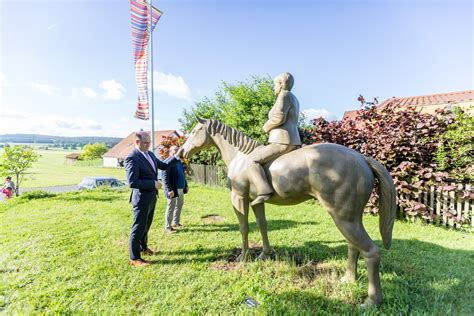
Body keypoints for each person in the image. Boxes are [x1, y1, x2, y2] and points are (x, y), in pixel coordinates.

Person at [125, 131, 180, 267]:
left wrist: (176, 157)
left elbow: (164, 165)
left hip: (151, 197)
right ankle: (135, 257)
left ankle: (144, 247)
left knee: (146, 225)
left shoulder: (149, 154)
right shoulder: (132, 157)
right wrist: (153, 184)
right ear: (137, 142)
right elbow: (132, 182)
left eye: (149, 142)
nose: (149, 144)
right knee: (138, 227)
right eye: (146, 142)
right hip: (141, 198)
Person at [246, 72, 302, 206]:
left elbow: (279, 117)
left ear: (281, 84)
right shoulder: (294, 98)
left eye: (275, 84)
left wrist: (266, 127)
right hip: (293, 139)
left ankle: (263, 191)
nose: (273, 87)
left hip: (281, 140)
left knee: (251, 160)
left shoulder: (283, 95)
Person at [163, 146, 189, 234]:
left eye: (178, 149)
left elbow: (182, 175)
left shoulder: (179, 162)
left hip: (181, 188)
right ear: (170, 151)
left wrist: (186, 185)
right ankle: (168, 227)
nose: (177, 151)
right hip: (173, 189)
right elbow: (165, 178)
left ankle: (176, 222)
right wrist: (169, 189)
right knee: (171, 207)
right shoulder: (168, 162)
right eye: (175, 149)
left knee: (179, 205)